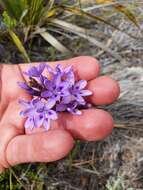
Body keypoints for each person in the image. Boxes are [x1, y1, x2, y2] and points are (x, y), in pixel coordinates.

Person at [0, 56, 120, 173]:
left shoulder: (55, 93)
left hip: (62, 102)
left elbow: (54, 100)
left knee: (95, 118)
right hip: (55, 102)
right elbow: (48, 103)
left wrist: (67, 102)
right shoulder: (44, 102)